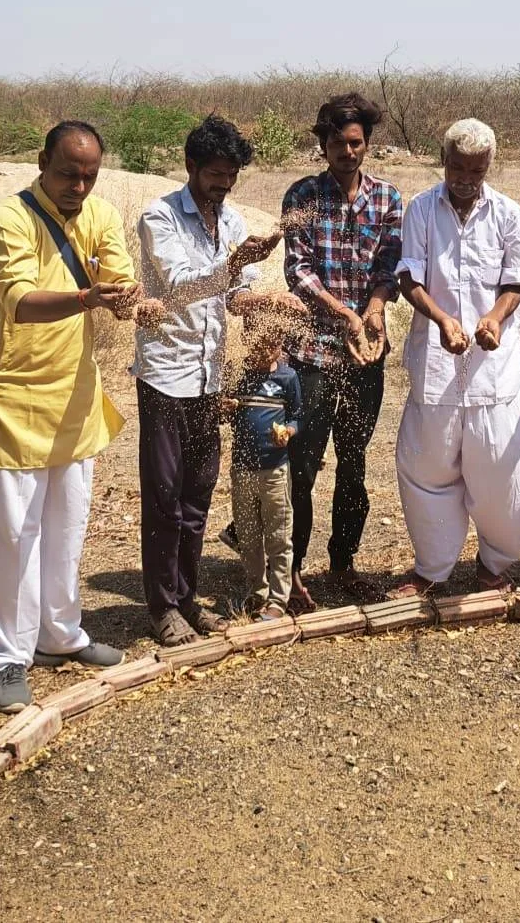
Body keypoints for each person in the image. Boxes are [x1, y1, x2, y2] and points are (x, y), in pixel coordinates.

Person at [0, 121, 159, 712]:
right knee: (13, 536)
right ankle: (8, 658)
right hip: (16, 397)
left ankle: (60, 636)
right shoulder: (7, 220)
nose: (79, 187)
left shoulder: (101, 215)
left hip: (76, 395)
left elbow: (119, 286)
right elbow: (19, 301)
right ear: (43, 162)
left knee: (67, 527)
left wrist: (125, 300)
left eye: (89, 176)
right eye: (69, 174)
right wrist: (90, 298)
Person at [134, 115, 297, 646]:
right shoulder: (159, 218)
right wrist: (235, 266)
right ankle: (161, 608)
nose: (223, 187)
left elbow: (229, 298)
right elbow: (180, 290)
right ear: (191, 167)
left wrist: (265, 299)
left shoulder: (226, 222)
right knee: (163, 496)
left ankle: (187, 599)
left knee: (197, 495)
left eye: (230, 177)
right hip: (165, 376)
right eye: (215, 176)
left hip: (208, 378)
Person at [389, 119, 520, 598]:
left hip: (495, 366)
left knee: (501, 470)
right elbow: (409, 275)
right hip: (437, 358)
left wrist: (493, 318)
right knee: (428, 466)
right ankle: (432, 570)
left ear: (489, 165)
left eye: (477, 169)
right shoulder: (421, 210)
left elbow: (515, 280)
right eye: (457, 166)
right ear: (443, 160)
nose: (466, 177)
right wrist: (441, 319)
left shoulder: (509, 214)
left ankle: (494, 565)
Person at [280, 93, 403, 605]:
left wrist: (373, 311)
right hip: (312, 348)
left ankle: (344, 561)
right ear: (323, 144)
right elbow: (299, 271)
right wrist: (346, 313)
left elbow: (390, 265)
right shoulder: (302, 196)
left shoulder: (388, 199)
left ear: (366, 144)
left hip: (365, 353)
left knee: (354, 459)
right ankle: (293, 570)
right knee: (304, 460)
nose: (348, 152)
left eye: (356, 143)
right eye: (338, 143)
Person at [221, 316, 302, 621]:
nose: (268, 352)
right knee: (249, 536)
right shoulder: (237, 374)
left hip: (275, 472)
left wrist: (289, 433)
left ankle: (278, 600)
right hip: (242, 470)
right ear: (248, 341)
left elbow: (297, 418)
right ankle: (257, 593)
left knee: (279, 537)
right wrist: (223, 408)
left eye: (275, 345)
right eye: (261, 344)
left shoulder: (287, 378)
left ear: (281, 345)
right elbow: (223, 411)